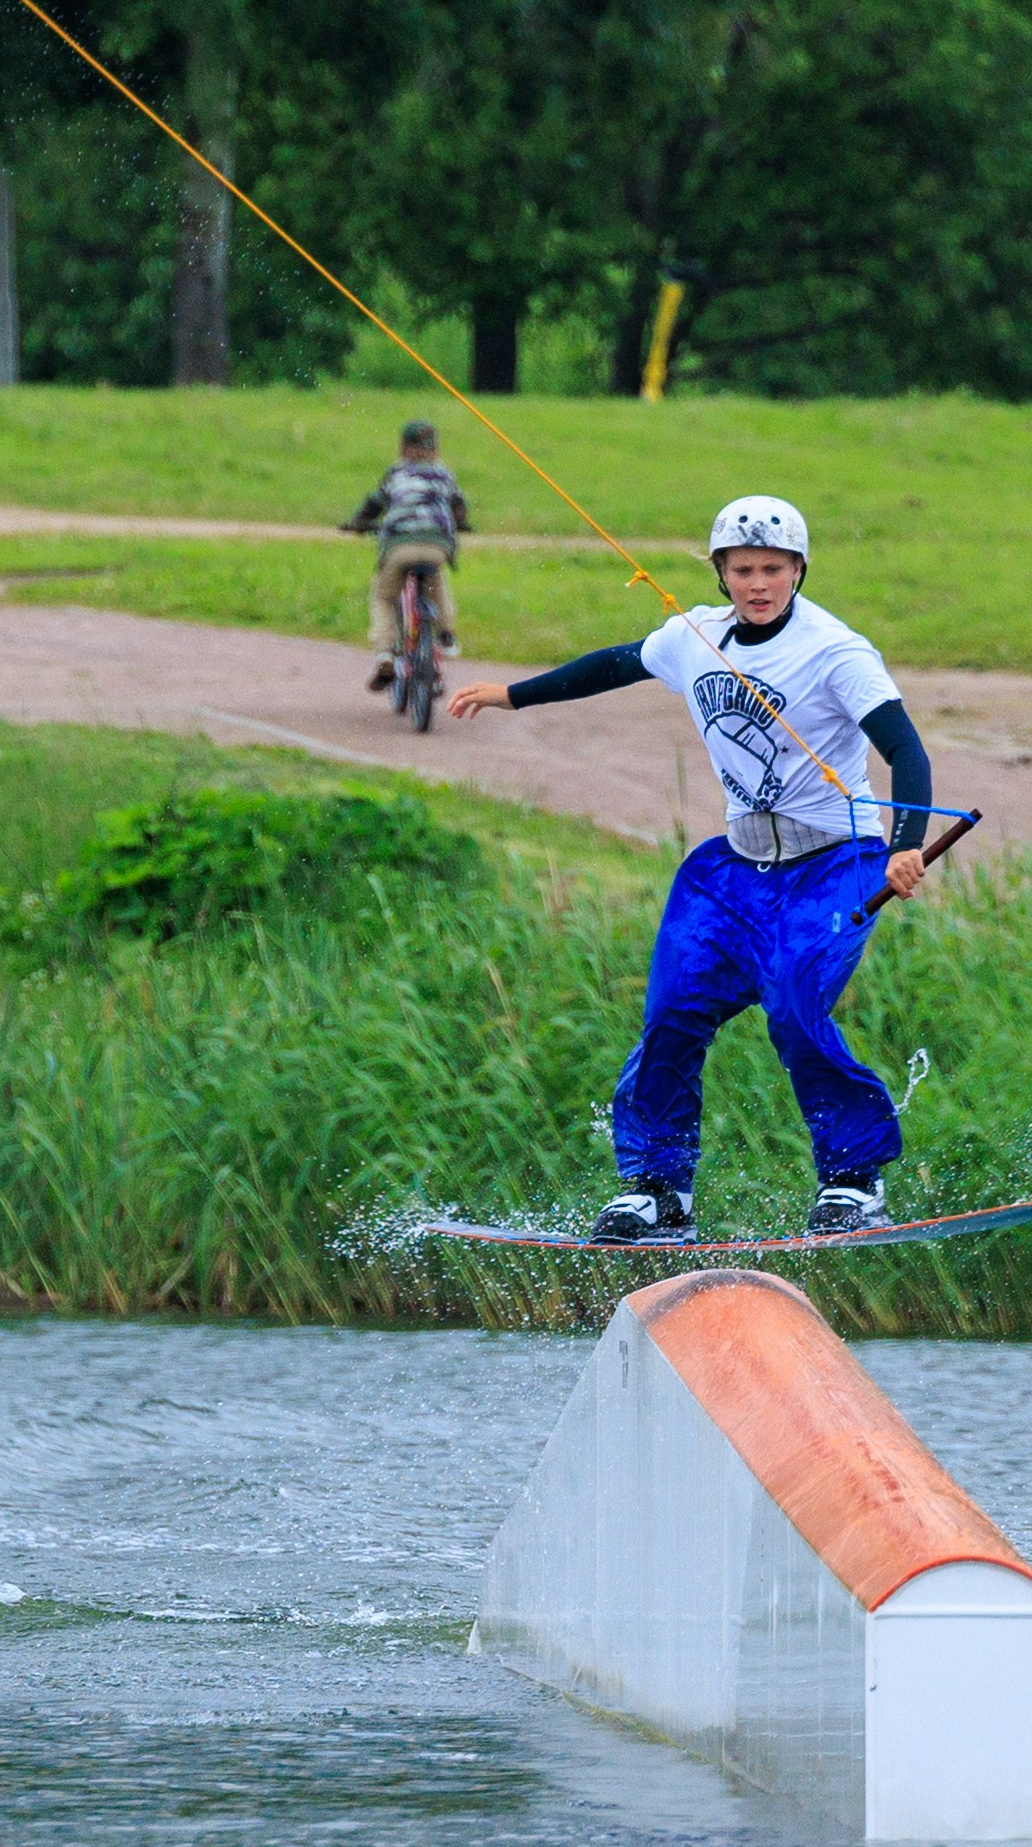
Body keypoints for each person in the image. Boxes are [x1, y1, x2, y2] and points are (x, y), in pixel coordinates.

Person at [449, 495, 937, 1241]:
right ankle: (658, 1189)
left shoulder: (837, 652)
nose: (758, 584)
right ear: (719, 573)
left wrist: (906, 845)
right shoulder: (695, 636)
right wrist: (511, 695)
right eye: (742, 570)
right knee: (673, 1013)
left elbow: (905, 749)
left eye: (773, 569)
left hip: (835, 865)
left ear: (799, 569)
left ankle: (854, 1182)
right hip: (734, 872)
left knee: (794, 1007)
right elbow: (616, 664)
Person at [343, 419, 470, 690]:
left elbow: (374, 504)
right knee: (437, 582)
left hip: (399, 546)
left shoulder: (396, 473)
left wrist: (357, 523)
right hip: (436, 545)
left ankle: (386, 653)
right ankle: (446, 633)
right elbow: (458, 505)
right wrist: (461, 523)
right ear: (435, 449)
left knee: (384, 597)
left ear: (402, 448)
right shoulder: (443, 475)